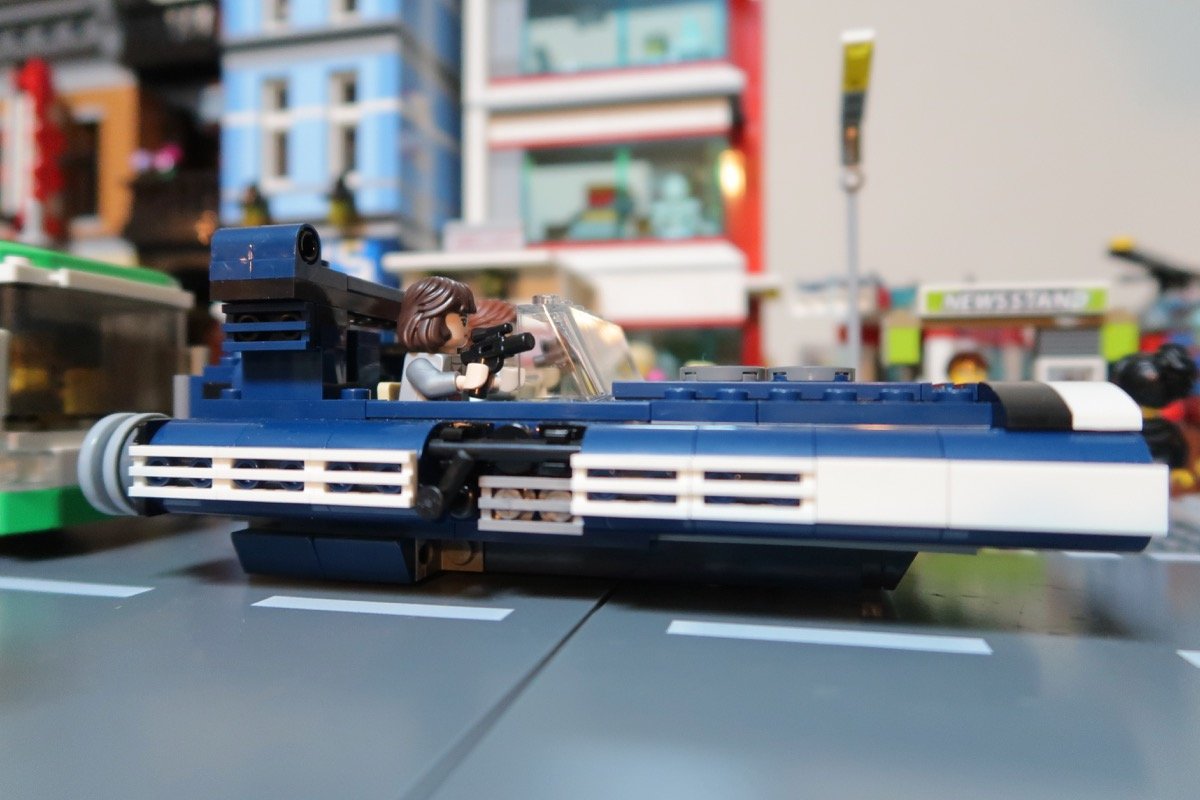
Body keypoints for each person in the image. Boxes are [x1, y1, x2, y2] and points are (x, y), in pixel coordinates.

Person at [391, 276, 490, 400]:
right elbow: (430, 384)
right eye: (463, 321)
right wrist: (464, 381)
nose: (468, 328)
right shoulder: (417, 363)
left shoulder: (456, 359)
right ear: (434, 320)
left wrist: (492, 381)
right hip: (420, 413)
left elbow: (476, 383)